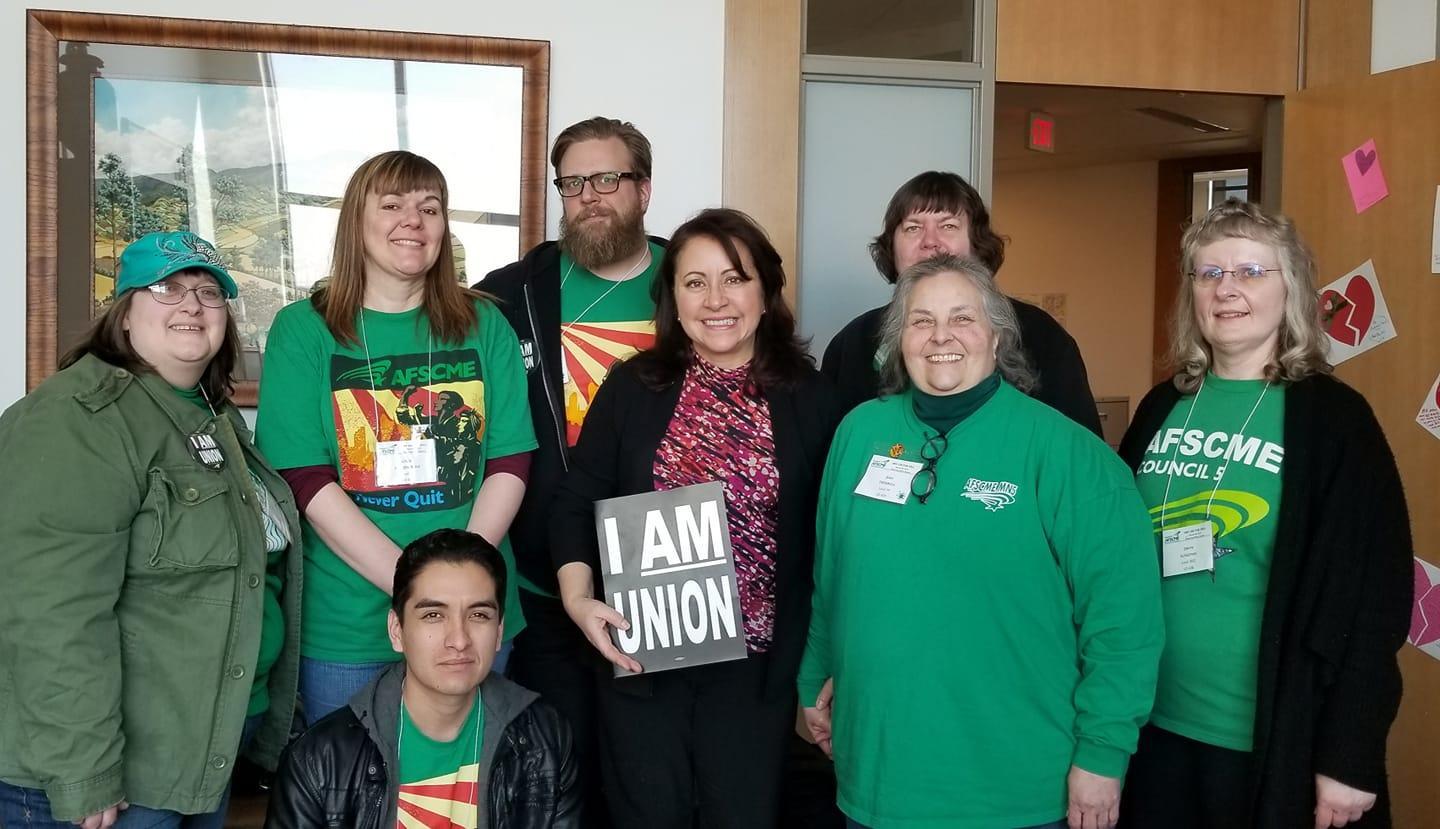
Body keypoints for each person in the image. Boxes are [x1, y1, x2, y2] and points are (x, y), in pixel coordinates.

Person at [800, 254, 1163, 829]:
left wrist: (1103, 753)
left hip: (1017, 790)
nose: (940, 336)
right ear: (899, 341)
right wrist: (809, 680)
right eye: (920, 321)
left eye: (962, 318)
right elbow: (831, 577)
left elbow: (1125, 626)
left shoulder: (1071, 457)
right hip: (878, 777)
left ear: (997, 337)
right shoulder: (858, 432)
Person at [1116, 201, 1413, 829]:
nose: (1227, 290)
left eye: (1251, 272)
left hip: (1270, 741)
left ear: (1292, 291)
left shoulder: (1334, 421)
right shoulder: (1160, 406)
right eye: (1209, 274)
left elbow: (1376, 599)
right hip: (1149, 728)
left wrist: (1351, 754)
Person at [550, 207, 843, 827]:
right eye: (694, 282)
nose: (716, 300)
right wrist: (578, 599)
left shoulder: (815, 401)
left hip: (757, 672)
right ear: (673, 299)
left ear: (765, 290)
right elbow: (577, 501)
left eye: (734, 278)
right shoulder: (633, 387)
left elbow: (839, 543)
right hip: (643, 657)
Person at [0, 231, 302, 829]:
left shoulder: (207, 415)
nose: (190, 304)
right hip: (110, 779)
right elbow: (53, 615)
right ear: (124, 312)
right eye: (166, 287)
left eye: (209, 291)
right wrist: (85, 771)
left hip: (193, 757)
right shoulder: (77, 422)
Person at [255, 150, 538, 725]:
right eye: (392, 205)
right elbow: (305, 480)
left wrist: (460, 591)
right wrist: (419, 592)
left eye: (429, 208)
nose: (414, 220)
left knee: (470, 795)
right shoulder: (303, 329)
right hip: (349, 626)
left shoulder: (486, 324)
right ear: (356, 223)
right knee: (351, 797)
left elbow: (510, 460)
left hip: (477, 617)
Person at [476, 116, 663, 823]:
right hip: (545, 583)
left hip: (665, 581)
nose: (589, 195)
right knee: (557, 774)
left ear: (643, 189)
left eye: (608, 178)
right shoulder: (509, 295)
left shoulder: (695, 281)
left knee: (651, 776)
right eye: (574, 181)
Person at [265, 528, 579, 828]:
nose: (459, 639)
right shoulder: (318, 760)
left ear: (499, 633)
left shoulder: (546, 736)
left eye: (478, 615)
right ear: (396, 630)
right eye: (433, 615)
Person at [821, 170, 1102, 434]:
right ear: (891, 248)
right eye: (913, 228)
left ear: (976, 244)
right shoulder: (853, 342)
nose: (931, 241)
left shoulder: (1040, 335)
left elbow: (1080, 456)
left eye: (948, 225)